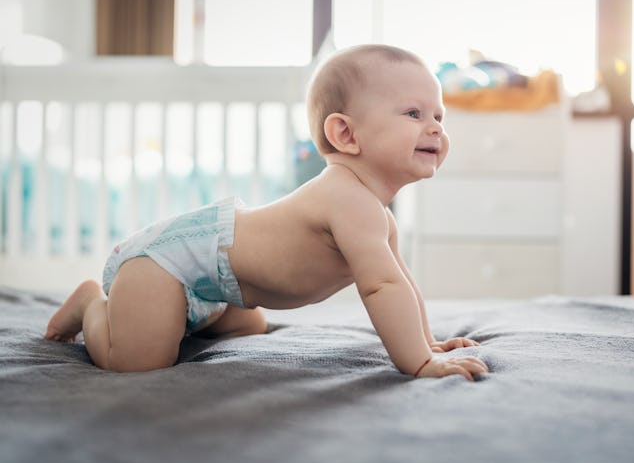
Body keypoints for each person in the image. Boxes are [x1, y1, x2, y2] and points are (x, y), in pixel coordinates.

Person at [45, 44, 489, 381]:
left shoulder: (377, 214)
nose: (435, 128)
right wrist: (419, 362)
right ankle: (92, 305)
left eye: (439, 116)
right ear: (346, 134)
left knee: (249, 326)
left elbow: (402, 283)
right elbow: (382, 288)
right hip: (164, 266)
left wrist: (427, 341)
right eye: (414, 113)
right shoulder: (345, 197)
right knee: (139, 362)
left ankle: (198, 315)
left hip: (221, 287)